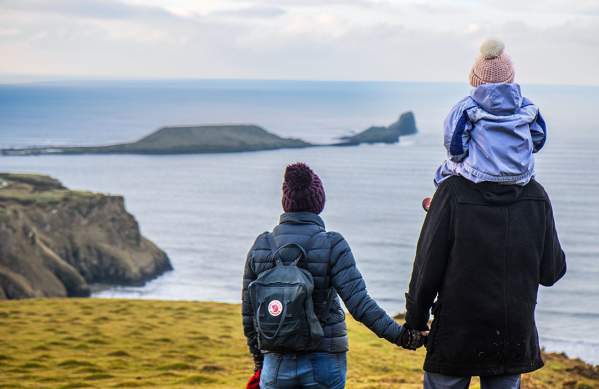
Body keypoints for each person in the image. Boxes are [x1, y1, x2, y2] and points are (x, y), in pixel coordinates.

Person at [405, 40, 567, 389]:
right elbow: (552, 271)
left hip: (455, 335)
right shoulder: (536, 196)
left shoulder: (451, 193)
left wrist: (415, 318)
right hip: (511, 336)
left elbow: (427, 266)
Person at [242, 162, 422, 389]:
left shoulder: (262, 245)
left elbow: (249, 316)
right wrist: (404, 337)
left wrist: (261, 362)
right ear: (319, 202)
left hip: (276, 363)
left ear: (286, 203)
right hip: (324, 360)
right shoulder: (332, 244)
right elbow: (360, 304)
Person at [422, 39, 547, 211]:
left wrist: (461, 159)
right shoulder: (528, 107)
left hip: (480, 173)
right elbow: (538, 139)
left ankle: (436, 203)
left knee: (444, 170)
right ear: (511, 78)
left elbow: (455, 148)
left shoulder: (467, 108)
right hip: (521, 174)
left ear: (475, 79)